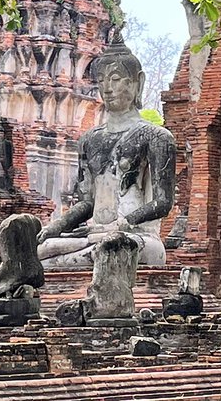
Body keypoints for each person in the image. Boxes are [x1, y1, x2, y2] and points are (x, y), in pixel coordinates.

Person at [37, 33, 176, 267]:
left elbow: (163, 203)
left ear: (138, 83)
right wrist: (55, 226)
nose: (107, 88)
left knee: (111, 249)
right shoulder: (90, 140)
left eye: (116, 78)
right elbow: (86, 203)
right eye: (101, 80)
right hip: (95, 234)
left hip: (137, 237)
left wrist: (125, 222)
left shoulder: (157, 137)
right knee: (42, 251)